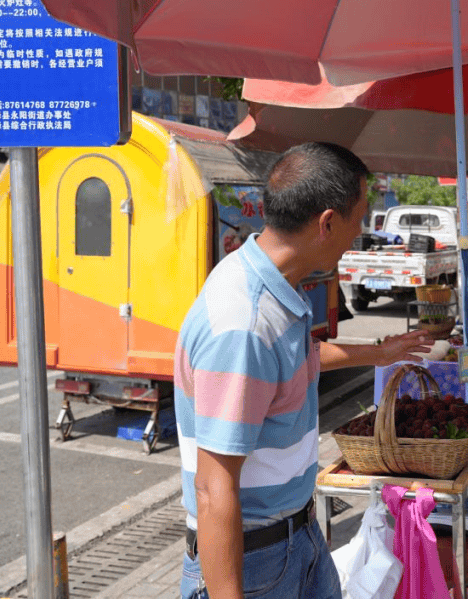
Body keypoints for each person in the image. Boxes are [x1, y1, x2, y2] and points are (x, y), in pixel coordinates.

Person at [174, 142, 433, 599]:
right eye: (359, 220)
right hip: (254, 563)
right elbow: (214, 487)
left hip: (297, 539)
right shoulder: (244, 323)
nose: (358, 235)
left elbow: (299, 363)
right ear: (327, 222)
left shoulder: (270, 285)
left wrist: (378, 353)